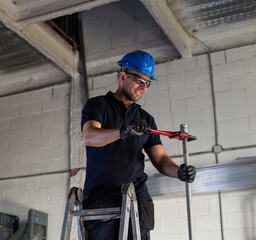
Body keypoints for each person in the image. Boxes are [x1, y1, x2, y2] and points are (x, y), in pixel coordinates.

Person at [81, 50, 196, 240]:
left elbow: (160, 159)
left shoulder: (145, 119)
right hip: (103, 200)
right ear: (123, 76)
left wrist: (179, 172)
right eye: (139, 80)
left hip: (137, 200)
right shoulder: (98, 106)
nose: (143, 87)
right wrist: (123, 131)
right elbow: (90, 136)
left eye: (148, 83)